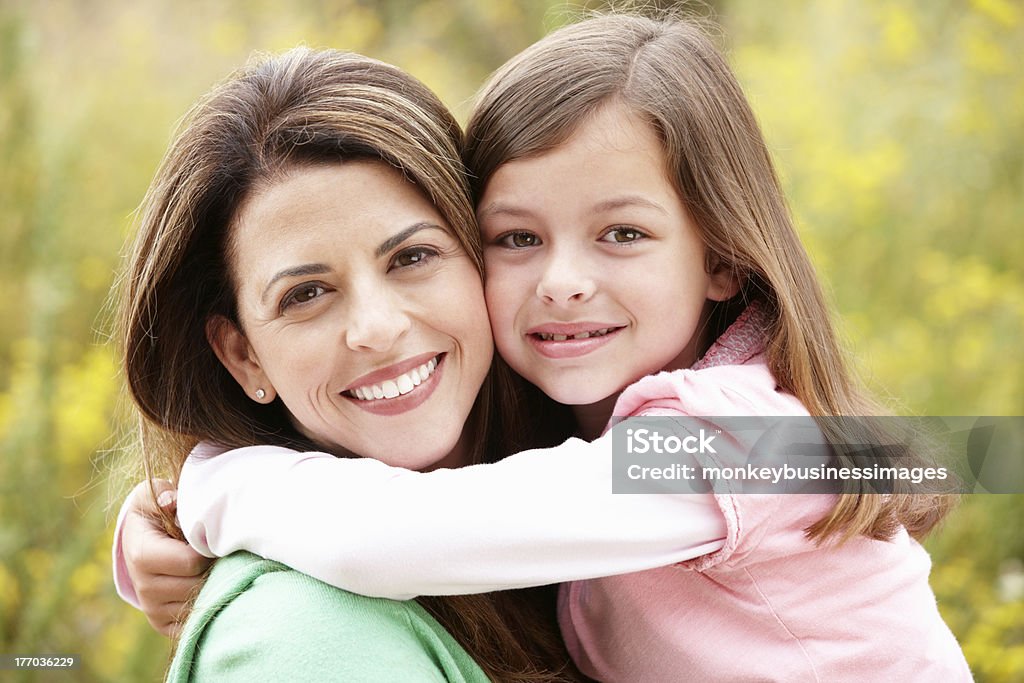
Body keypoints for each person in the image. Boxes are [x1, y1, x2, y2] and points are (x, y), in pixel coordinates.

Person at [118, 13, 972, 682]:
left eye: (623, 233)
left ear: (720, 257)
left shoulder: (729, 439)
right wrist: (152, 534)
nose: (562, 280)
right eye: (517, 238)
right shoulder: (582, 428)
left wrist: (217, 482)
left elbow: (392, 538)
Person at [114, 45, 582, 682]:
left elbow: (754, 455)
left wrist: (219, 491)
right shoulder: (301, 642)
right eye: (305, 294)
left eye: (412, 257)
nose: (377, 329)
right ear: (243, 355)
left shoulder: (667, 425)